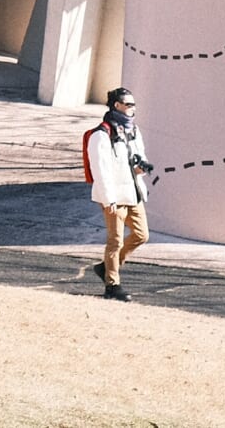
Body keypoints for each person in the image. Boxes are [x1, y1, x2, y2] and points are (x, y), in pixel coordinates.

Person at [82, 86, 151, 300]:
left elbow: (138, 155)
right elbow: (100, 170)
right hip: (113, 196)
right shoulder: (101, 135)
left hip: (133, 192)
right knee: (115, 241)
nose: (133, 108)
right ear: (117, 106)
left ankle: (106, 267)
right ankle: (112, 286)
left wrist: (141, 168)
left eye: (134, 104)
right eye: (128, 104)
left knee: (142, 235)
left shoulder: (133, 130)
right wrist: (108, 197)